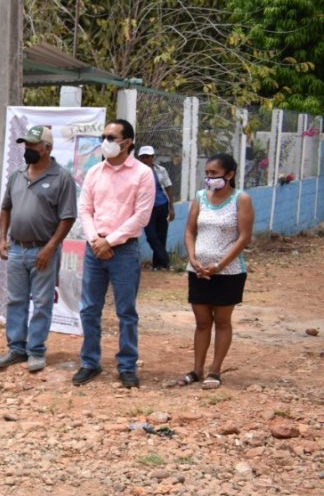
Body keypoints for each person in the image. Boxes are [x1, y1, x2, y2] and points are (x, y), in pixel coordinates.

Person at [73, 119, 156, 388]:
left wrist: (110, 241)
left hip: (124, 250)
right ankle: (89, 362)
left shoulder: (142, 174)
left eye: (111, 137)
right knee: (89, 309)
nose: (105, 142)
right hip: (94, 248)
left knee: (126, 311)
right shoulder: (95, 172)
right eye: (104, 137)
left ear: (127, 142)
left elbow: (141, 216)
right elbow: (85, 209)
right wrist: (96, 240)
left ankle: (127, 366)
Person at [0, 126, 77, 373]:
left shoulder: (61, 177)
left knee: (41, 302)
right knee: (15, 300)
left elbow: (67, 218)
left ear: (47, 148)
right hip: (16, 249)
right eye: (26, 145)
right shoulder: (17, 175)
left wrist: (50, 248)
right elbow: (6, 208)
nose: (27, 149)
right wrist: (2, 239)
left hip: (43, 251)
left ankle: (36, 351)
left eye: (32, 145)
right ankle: (16, 349)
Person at [174, 153, 254, 389]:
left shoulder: (241, 199)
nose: (209, 178)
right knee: (201, 322)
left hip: (229, 272)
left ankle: (215, 370)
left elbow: (244, 237)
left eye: (214, 173)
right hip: (198, 270)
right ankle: (197, 370)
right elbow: (190, 231)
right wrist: (192, 258)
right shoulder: (200, 197)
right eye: (207, 173)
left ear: (229, 174)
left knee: (222, 321)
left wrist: (220, 265)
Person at [136, 146, 176, 270]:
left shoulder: (160, 170)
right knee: (151, 236)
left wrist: (171, 207)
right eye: (143, 157)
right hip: (146, 208)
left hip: (162, 205)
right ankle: (166, 260)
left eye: (147, 157)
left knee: (161, 235)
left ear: (152, 157)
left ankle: (158, 264)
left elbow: (168, 187)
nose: (145, 159)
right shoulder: (136, 172)